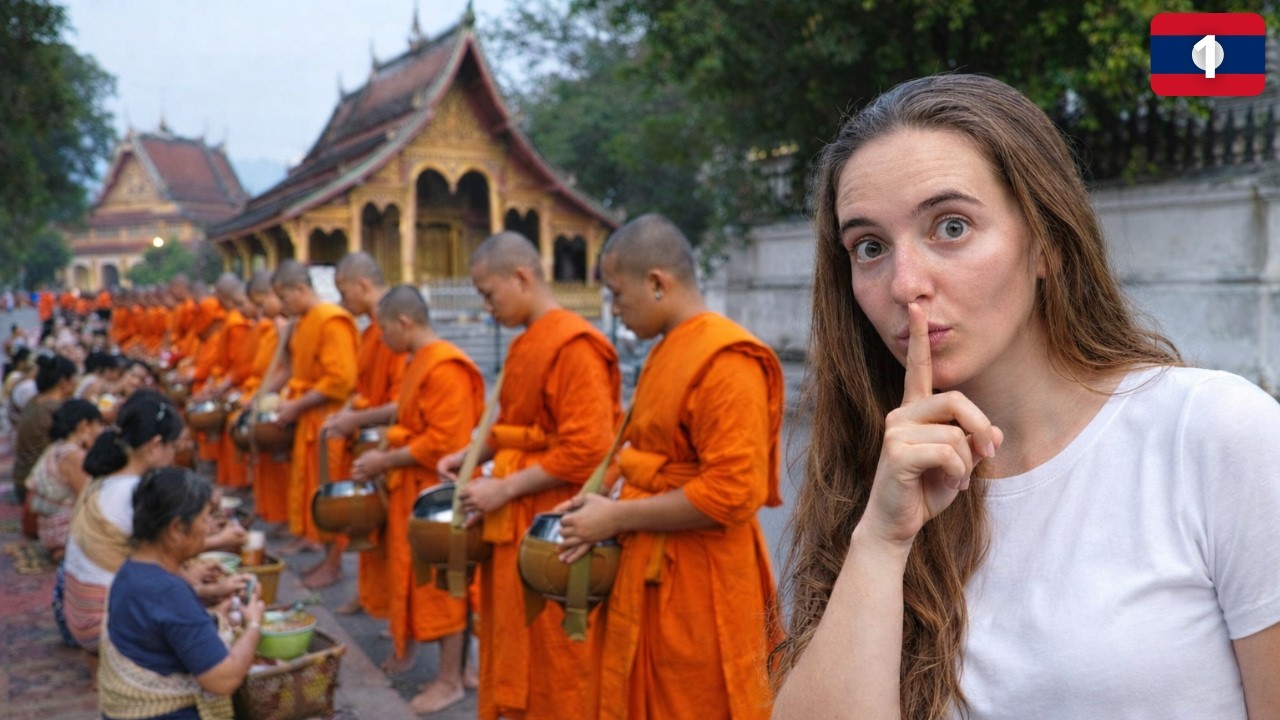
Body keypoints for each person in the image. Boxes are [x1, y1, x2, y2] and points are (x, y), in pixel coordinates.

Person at [769, 74, 1280, 719]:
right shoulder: (883, 477)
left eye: (950, 226)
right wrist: (880, 541)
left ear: (1046, 242)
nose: (904, 284)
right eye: (869, 247)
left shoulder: (1216, 434)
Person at [556, 214, 785, 720]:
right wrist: (605, 490)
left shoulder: (727, 361)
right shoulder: (665, 352)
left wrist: (614, 519)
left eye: (617, 294)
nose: (615, 310)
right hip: (650, 562)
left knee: (698, 700)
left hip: (702, 582)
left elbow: (732, 494)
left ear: (657, 282)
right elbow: (642, 449)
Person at [440, 231, 621, 720]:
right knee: (511, 639)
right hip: (513, 520)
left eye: (487, 293)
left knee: (556, 655)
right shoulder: (525, 343)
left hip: (552, 530)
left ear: (520, 277)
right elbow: (518, 428)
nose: (486, 307)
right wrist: (472, 453)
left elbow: (588, 450)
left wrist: (505, 487)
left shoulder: (574, 345)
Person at [351, 284, 483, 712]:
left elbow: (445, 442)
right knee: (430, 582)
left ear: (403, 323)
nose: (381, 339)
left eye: (384, 329)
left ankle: (450, 680)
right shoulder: (418, 361)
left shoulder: (444, 367)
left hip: (437, 493)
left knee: (444, 584)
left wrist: (386, 460)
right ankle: (457, 670)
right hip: (415, 488)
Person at [98, 467, 265, 720]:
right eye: (204, 519)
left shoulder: (130, 570)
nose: (209, 529)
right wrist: (253, 622)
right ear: (176, 529)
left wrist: (209, 597)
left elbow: (165, 621)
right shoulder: (168, 591)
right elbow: (223, 679)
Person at [62, 390, 185, 664]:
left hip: (75, 615)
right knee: (201, 607)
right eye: (173, 447)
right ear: (154, 446)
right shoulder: (134, 491)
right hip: (102, 624)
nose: (175, 456)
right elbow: (168, 562)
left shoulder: (103, 478)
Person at [316, 252, 405, 592]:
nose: (341, 301)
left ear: (363, 285)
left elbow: (403, 401)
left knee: (388, 529)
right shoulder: (370, 333)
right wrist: (350, 410)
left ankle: (391, 609)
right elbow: (366, 388)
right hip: (367, 437)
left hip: (388, 442)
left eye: (343, 291)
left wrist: (356, 416)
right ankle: (372, 598)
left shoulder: (395, 326)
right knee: (365, 519)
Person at [262, 260, 358, 565]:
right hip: (309, 417)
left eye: (285, 297)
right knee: (308, 486)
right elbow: (294, 371)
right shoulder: (302, 322)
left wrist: (296, 405)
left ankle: (333, 562)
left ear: (301, 289)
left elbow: (340, 381)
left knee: (328, 492)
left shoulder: (331, 320)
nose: (283, 305)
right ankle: (315, 544)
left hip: (328, 418)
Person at [26, 398, 103, 560]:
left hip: (48, 527)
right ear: (84, 426)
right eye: (98, 424)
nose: (100, 430)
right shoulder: (74, 456)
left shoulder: (57, 446)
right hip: (61, 531)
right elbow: (89, 501)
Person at [13, 353, 78, 507]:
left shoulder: (34, 401)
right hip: (34, 487)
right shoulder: (55, 410)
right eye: (75, 378)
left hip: (21, 479)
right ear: (64, 382)